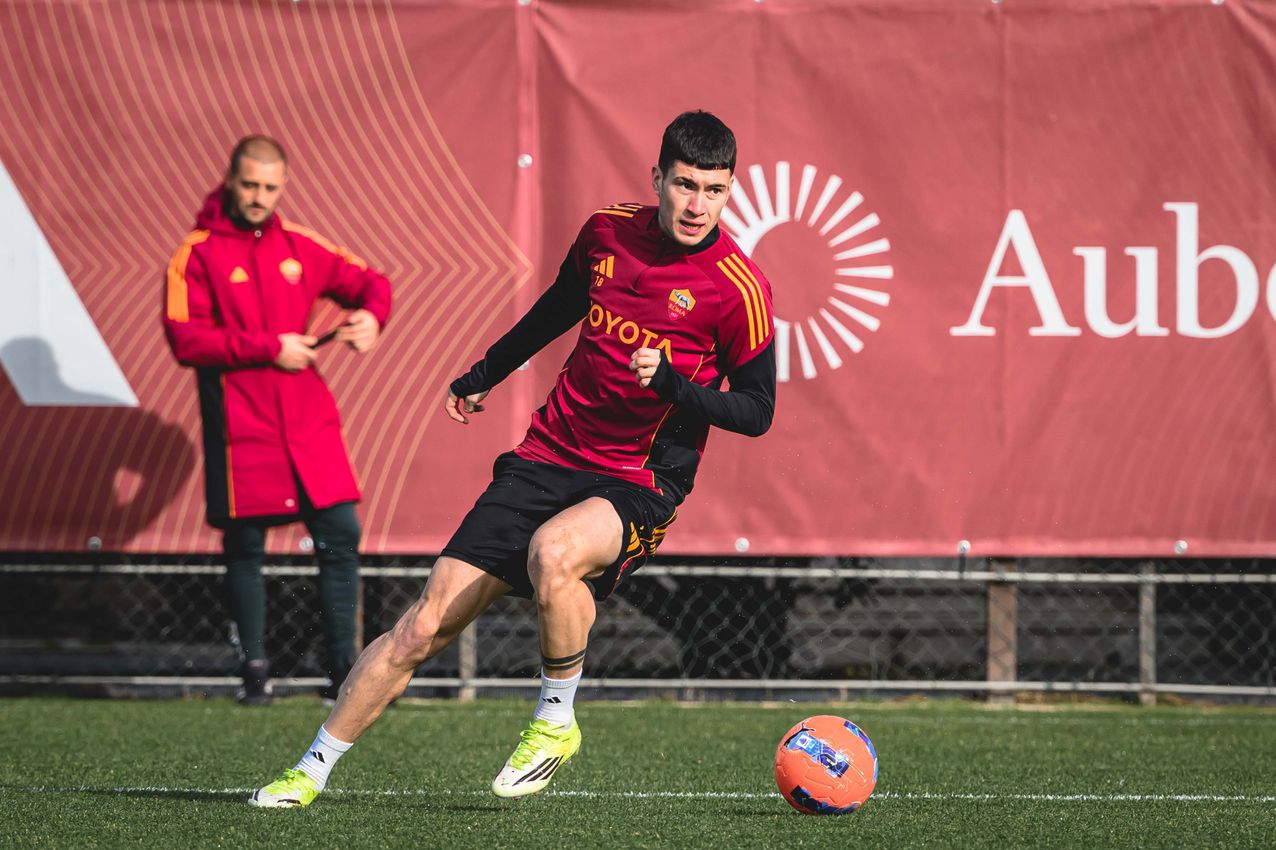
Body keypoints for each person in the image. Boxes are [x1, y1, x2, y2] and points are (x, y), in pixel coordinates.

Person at [249, 110, 774, 807]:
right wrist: (486, 371)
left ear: (731, 189)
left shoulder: (739, 286)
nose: (697, 204)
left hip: (641, 479)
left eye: (713, 190)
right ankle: (307, 770)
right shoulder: (606, 231)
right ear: (657, 178)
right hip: (546, 455)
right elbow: (559, 307)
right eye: (684, 185)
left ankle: (555, 721)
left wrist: (677, 386)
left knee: (555, 553)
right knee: (422, 625)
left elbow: (758, 412)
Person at [163, 136, 392, 705]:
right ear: (230, 179)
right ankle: (255, 675)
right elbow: (185, 338)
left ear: (282, 185)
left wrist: (371, 317)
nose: (259, 196)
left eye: (270, 187)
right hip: (242, 426)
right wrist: (269, 347)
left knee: (340, 535)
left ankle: (344, 675)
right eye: (249, 184)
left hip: (308, 423)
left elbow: (372, 284)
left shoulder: (300, 245)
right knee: (245, 546)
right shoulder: (196, 254)